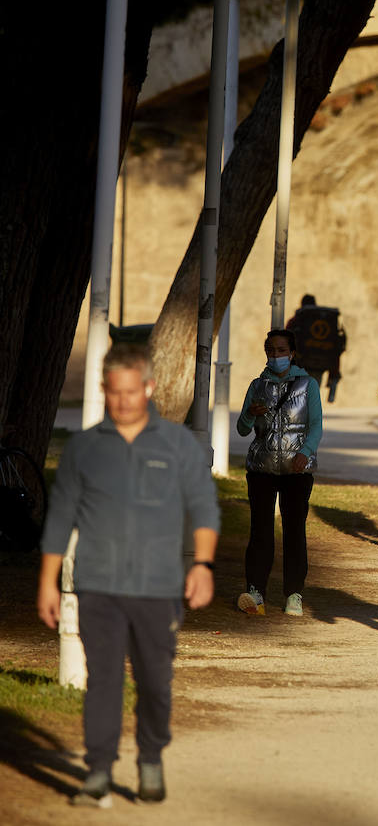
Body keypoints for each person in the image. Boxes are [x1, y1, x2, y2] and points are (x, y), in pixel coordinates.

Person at [37, 344, 219, 807]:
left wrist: (202, 565)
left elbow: (203, 508)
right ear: (104, 391)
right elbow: (60, 518)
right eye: (114, 393)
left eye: (131, 392)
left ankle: (151, 759)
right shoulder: (84, 448)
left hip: (159, 589)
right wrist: (48, 581)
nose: (122, 401)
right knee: (103, 681)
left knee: (155, 680)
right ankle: (98, 770)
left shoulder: (176, 444)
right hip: (99, 584)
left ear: (149, 389)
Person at [235, 329, 323, 617]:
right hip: (261, 468)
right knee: (260, 529)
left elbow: (316, 425)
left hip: (296, 470)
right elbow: (242, 428)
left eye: (281, 350)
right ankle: (255, 590)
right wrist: (251, 413)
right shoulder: (257, 385)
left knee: (294, 530)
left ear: (292, 353)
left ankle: (294, 593)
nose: (276, 356)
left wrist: (305, 452)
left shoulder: (307, 385)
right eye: (271, 351)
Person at [285, 293, 347, 403]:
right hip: (323, 363)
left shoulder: (297, 319)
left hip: (302, 361)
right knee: (313, 389)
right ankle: (332, 384)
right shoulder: (327, 321)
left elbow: (287, 337)